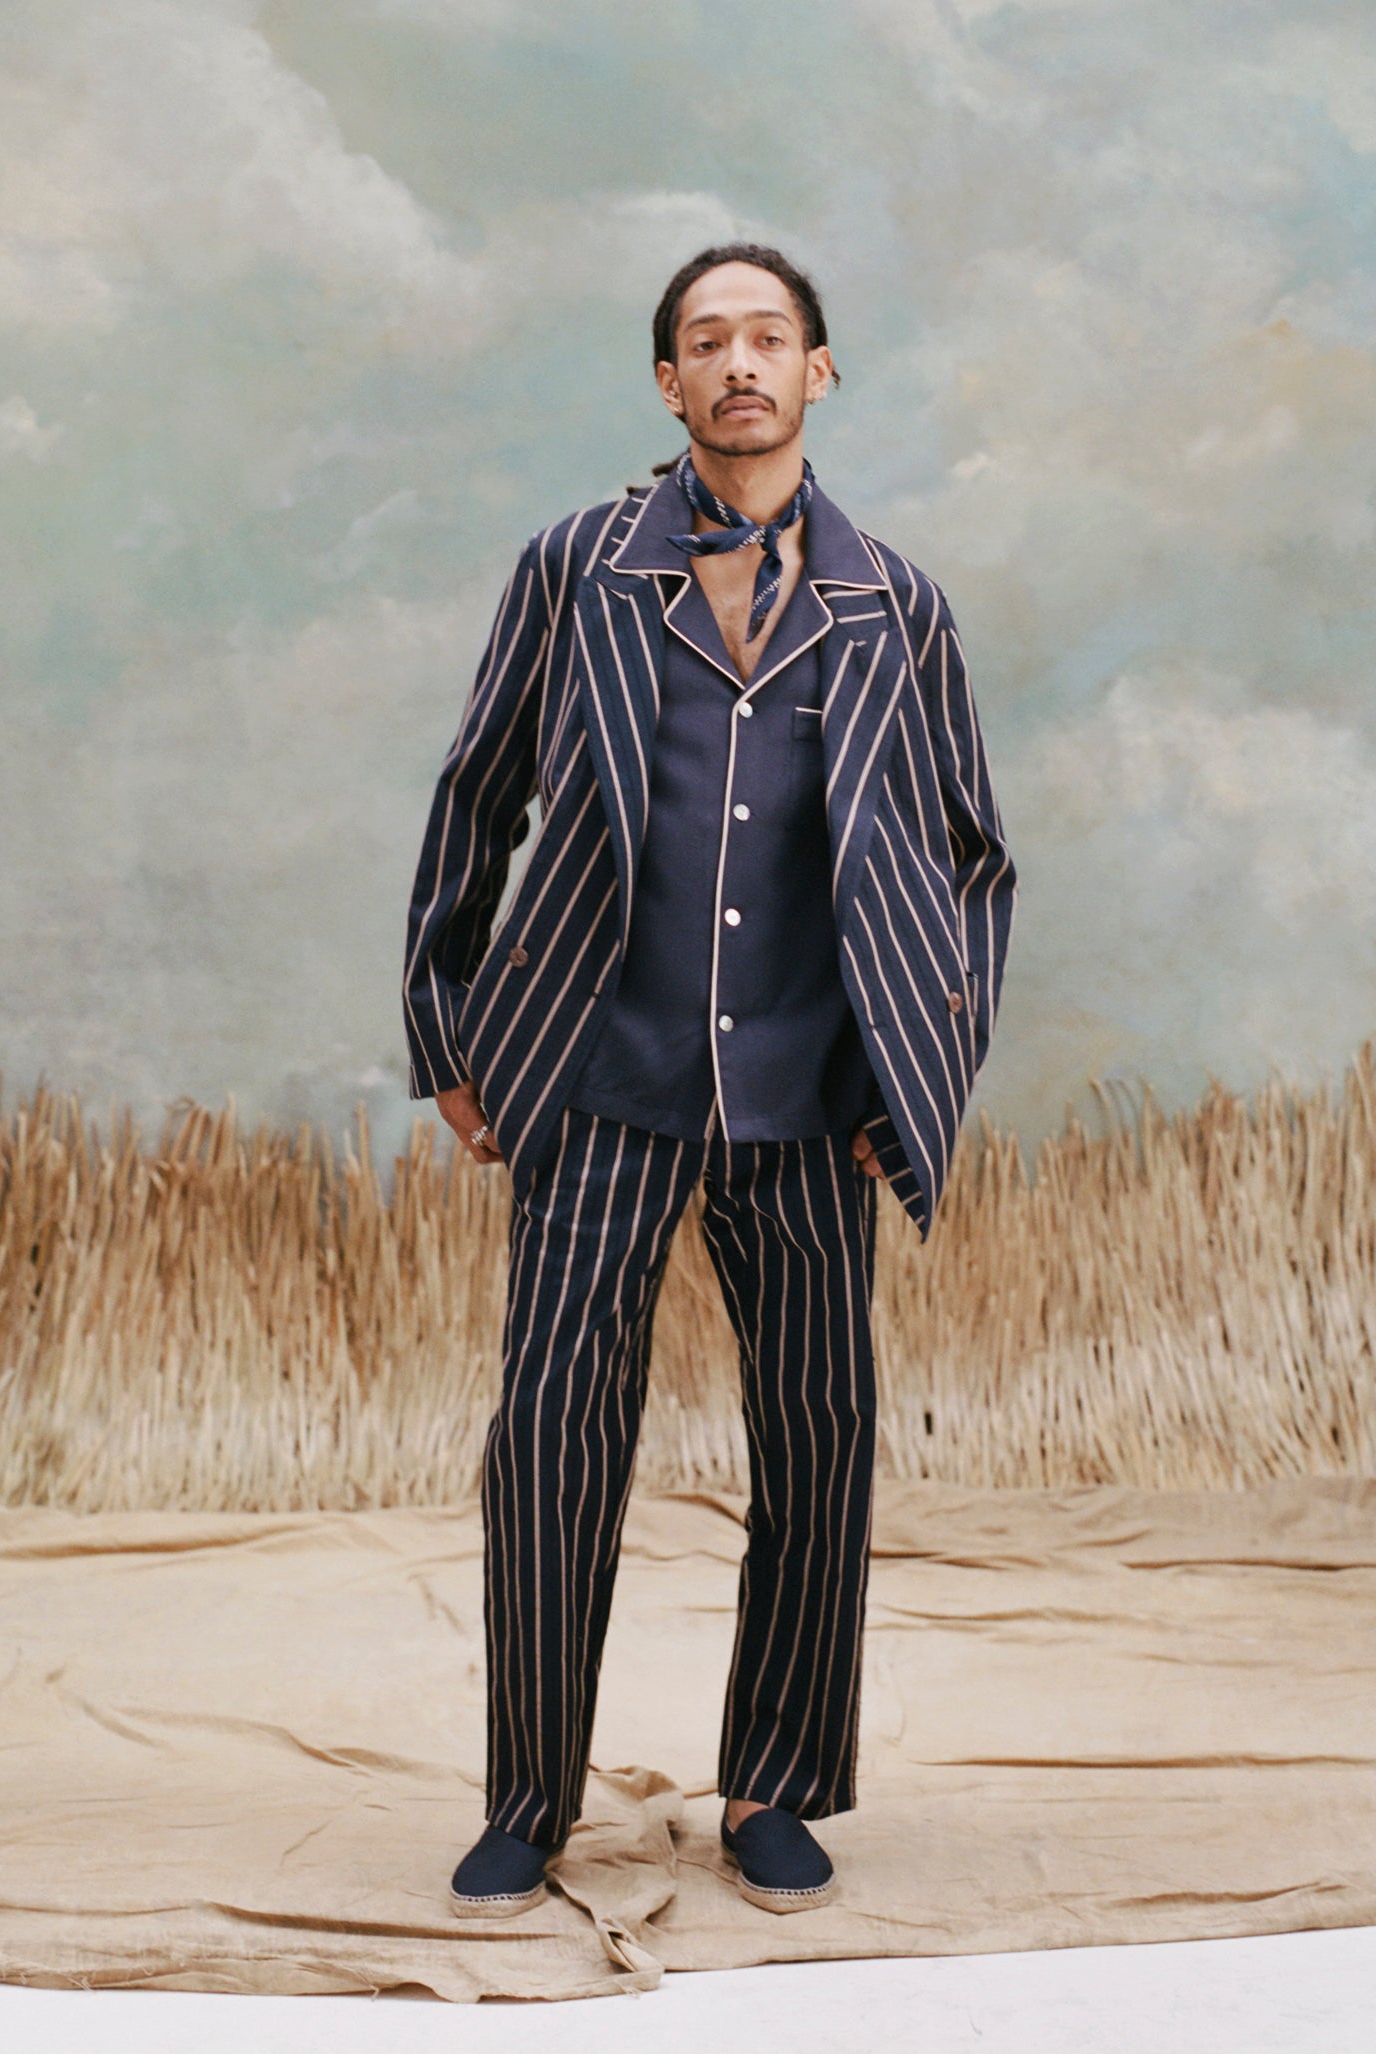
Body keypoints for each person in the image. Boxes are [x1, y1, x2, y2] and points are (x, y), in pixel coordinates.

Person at [401, 241, 1017, 1917]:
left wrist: (928, 1051)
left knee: (818, 1430)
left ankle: (775, 1784)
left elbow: (968, 852)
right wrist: (445, 1033)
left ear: (820, 370)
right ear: (666, 385)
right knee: (550, 1435)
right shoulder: (572, 569)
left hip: (816, 1089)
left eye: (767, 336)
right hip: (598, 1078)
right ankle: (529, 1794)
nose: (737, 362)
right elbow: (477, 800)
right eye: (703, 341)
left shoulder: (896, 605)